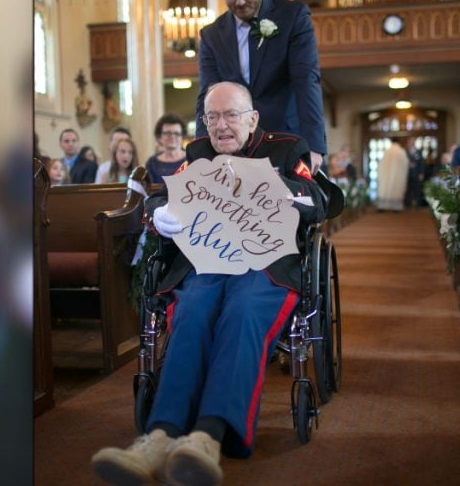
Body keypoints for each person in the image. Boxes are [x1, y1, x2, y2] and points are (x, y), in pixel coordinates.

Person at [91, 82, 326, 486]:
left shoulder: (287, 148)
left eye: (231, 115)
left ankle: (207, 437)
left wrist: (266, 184)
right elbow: (162, 196)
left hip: (265, 264)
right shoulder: (199, 153)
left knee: (243, 312)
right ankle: (159, 436)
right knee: (194, 311)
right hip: (208, 262)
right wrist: (158, 213)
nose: (221, 126)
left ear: (251, 119)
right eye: (212, 117)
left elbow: (315, 200)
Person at [195, 0, 327, 172]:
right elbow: (207, 96)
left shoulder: (293, 16)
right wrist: (200, 153)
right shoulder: (211, 34)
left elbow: (306, 81)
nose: (240, 1)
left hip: (287, 139)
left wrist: (314, 146)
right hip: (236, 149)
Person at [144, 114, 187, 183]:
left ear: (182, 137)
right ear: (159, 137)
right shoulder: (152, 163)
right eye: (168, 133)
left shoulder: (191, 159)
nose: (172, 136)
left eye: (176, 133)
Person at [376, 140, 408, 211]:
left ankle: (382, 206)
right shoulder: (401, 152)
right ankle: (395, 207)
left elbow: (380, 164)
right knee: (396, 190)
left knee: (385, 190)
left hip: (386, 176)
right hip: (398, 176)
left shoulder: (387, 151)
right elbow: (405, 164)